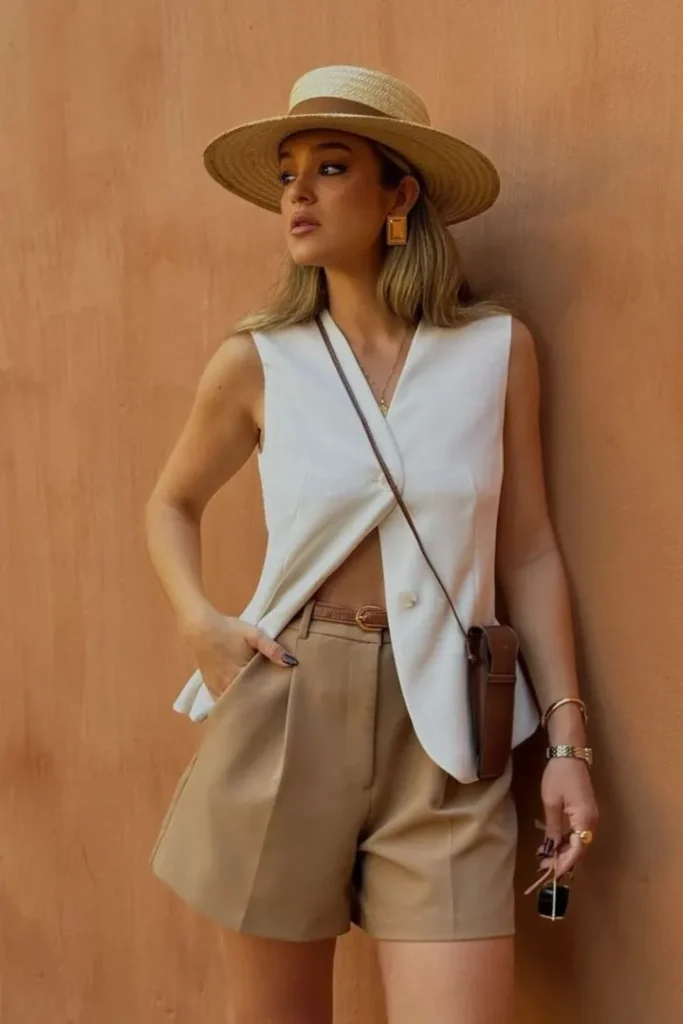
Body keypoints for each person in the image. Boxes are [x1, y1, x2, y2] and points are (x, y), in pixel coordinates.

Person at [145, 64, 598, 1024]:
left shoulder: (495, 351)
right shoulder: (257, 360)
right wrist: (198, 622)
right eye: (286, 174)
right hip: (287, 704)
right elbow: (171, 502)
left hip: (449, 730)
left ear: (400, 195)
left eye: (330, 166)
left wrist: (567, 742)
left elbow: (527, 550)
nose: (297, 194)